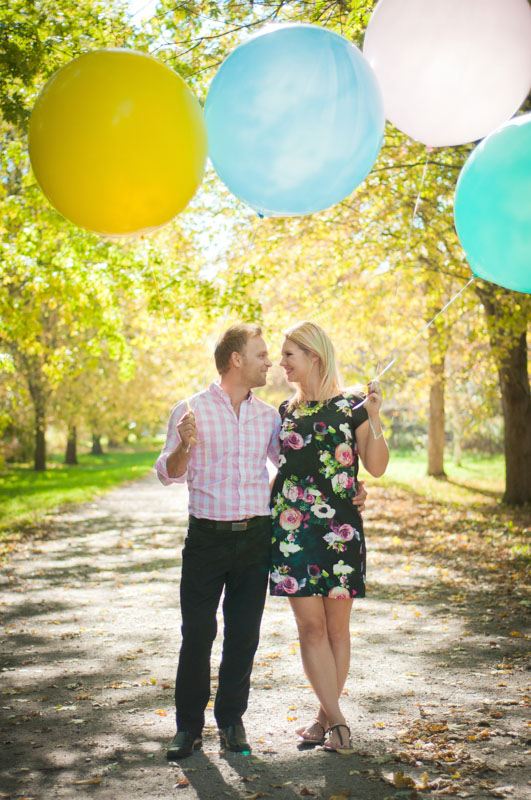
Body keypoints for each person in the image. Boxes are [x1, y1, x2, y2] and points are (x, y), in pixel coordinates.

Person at [155, 322, 368, 760]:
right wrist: (184, 446)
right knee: (197, 632)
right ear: (237, 359)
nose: (270, 362)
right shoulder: (190, 409)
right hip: (206, 539)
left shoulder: (270, 416)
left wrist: (349, 486)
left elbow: (296, 463)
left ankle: (232, 722)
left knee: (243, 635)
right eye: (262, 354)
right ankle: (187, 728)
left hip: (255, 538)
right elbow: (168, 472)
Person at [269, 321, 389, 754]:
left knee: (338, 631)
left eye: (288, 355)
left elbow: (375, 467)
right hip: (291, 532)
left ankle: (323, 719)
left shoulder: (353, 406)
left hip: (340, 532)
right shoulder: (285, 411)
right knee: (309, 627)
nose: (281, 363)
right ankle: (338, 720)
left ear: (314, 356)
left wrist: (374, 416)